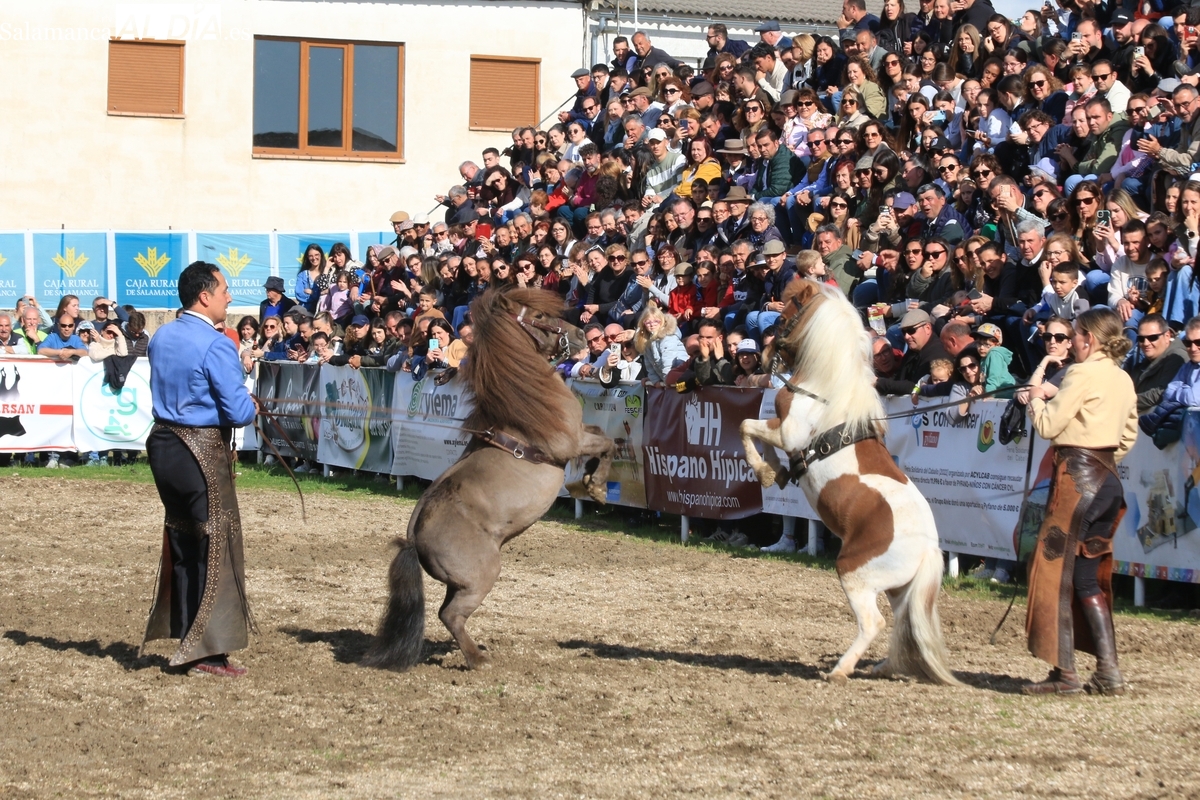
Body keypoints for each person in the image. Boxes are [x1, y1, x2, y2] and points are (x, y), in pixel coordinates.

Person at [142, 261, 258, 679]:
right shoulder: (217, 343)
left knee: (185, 544)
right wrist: (252, 403)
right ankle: (206, 652)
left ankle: (189, 639)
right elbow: (238, 410)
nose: (229, 296)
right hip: (200, 450)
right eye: (225, 289)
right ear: (205, 295)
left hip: (164, 445)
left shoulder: (162, 335)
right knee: (217, 547)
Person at [1024, 308, 1137, 696]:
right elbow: (1128, 435)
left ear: (1089, 338)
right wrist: (1100, 460)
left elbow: (1047, 426)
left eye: (1074, 335)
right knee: (1087, 577)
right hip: (1107, 483)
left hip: (1077, 484)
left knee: (1055, 574)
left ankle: (1066, 674)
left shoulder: (1080, 373)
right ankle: (1108, 670)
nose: (1070, 342)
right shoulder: (1122, 377)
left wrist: (1037, 399)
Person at [1139, 315, 1200, 449]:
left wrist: (1181, 389)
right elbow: (1168, 392)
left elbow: (1193, 398)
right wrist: (1186, 390)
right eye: (1188, 343)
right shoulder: (1188, 366)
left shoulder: (1178, 358)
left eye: (1198, 342)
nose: (1193, 348)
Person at [1127, 313, 1186, 413]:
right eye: (1141, 339)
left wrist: (1123, 402)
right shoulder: (1147, 361)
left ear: (1167, 336)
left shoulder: (1177, 357)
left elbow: (1160, 393)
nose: (1145, 343)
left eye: (1152, 337)